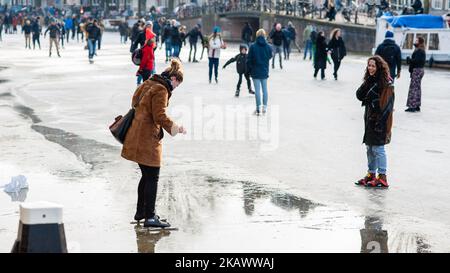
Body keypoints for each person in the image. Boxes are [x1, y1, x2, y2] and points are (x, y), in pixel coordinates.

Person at [121, 59, 187, 228]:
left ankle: (141, 211)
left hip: (136, 134)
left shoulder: (149, 82)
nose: (175, 88)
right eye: (177, 84)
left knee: (146, 175)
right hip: (147, 138)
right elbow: (160, 116)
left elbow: (134, 101)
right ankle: (150, 217)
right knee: (153, 176)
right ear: (173, 78)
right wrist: (176, 128)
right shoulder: (162, 89)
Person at [356, 55, 394, 188]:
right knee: (369, 148)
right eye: (369, 65)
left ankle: (382, 177)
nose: (371, 68)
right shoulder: (370, 81)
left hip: (380, 119)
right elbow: (359, 95)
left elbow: (387, 106)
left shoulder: (385, 83)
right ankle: (371, 174)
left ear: (379, 67)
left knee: (378, 148)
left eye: (373, 66)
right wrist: (367, 81)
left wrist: (380, 121)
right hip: (369, 118)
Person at [247, 29, 273, 115]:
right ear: (264, 35)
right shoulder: (268, 46)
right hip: (264, 70)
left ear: (257, 35)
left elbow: (249, 59)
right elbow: (270, 56)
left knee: (257, 91)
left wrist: (249, 69)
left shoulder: (252, 46)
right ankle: (264, 108)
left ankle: (258, 108)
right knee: (265, 89)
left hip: (255, 70)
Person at [405, 37, 426, 112]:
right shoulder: (420, 50)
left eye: (417, 40)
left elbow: (417, 61)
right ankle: (417, 105)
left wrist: (409, 60)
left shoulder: (419, 51)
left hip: (417, 70)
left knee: (413, 88)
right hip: (419, 70)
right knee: (417, 88)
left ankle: (412, 106)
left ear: (420, 42)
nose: (415, 41)